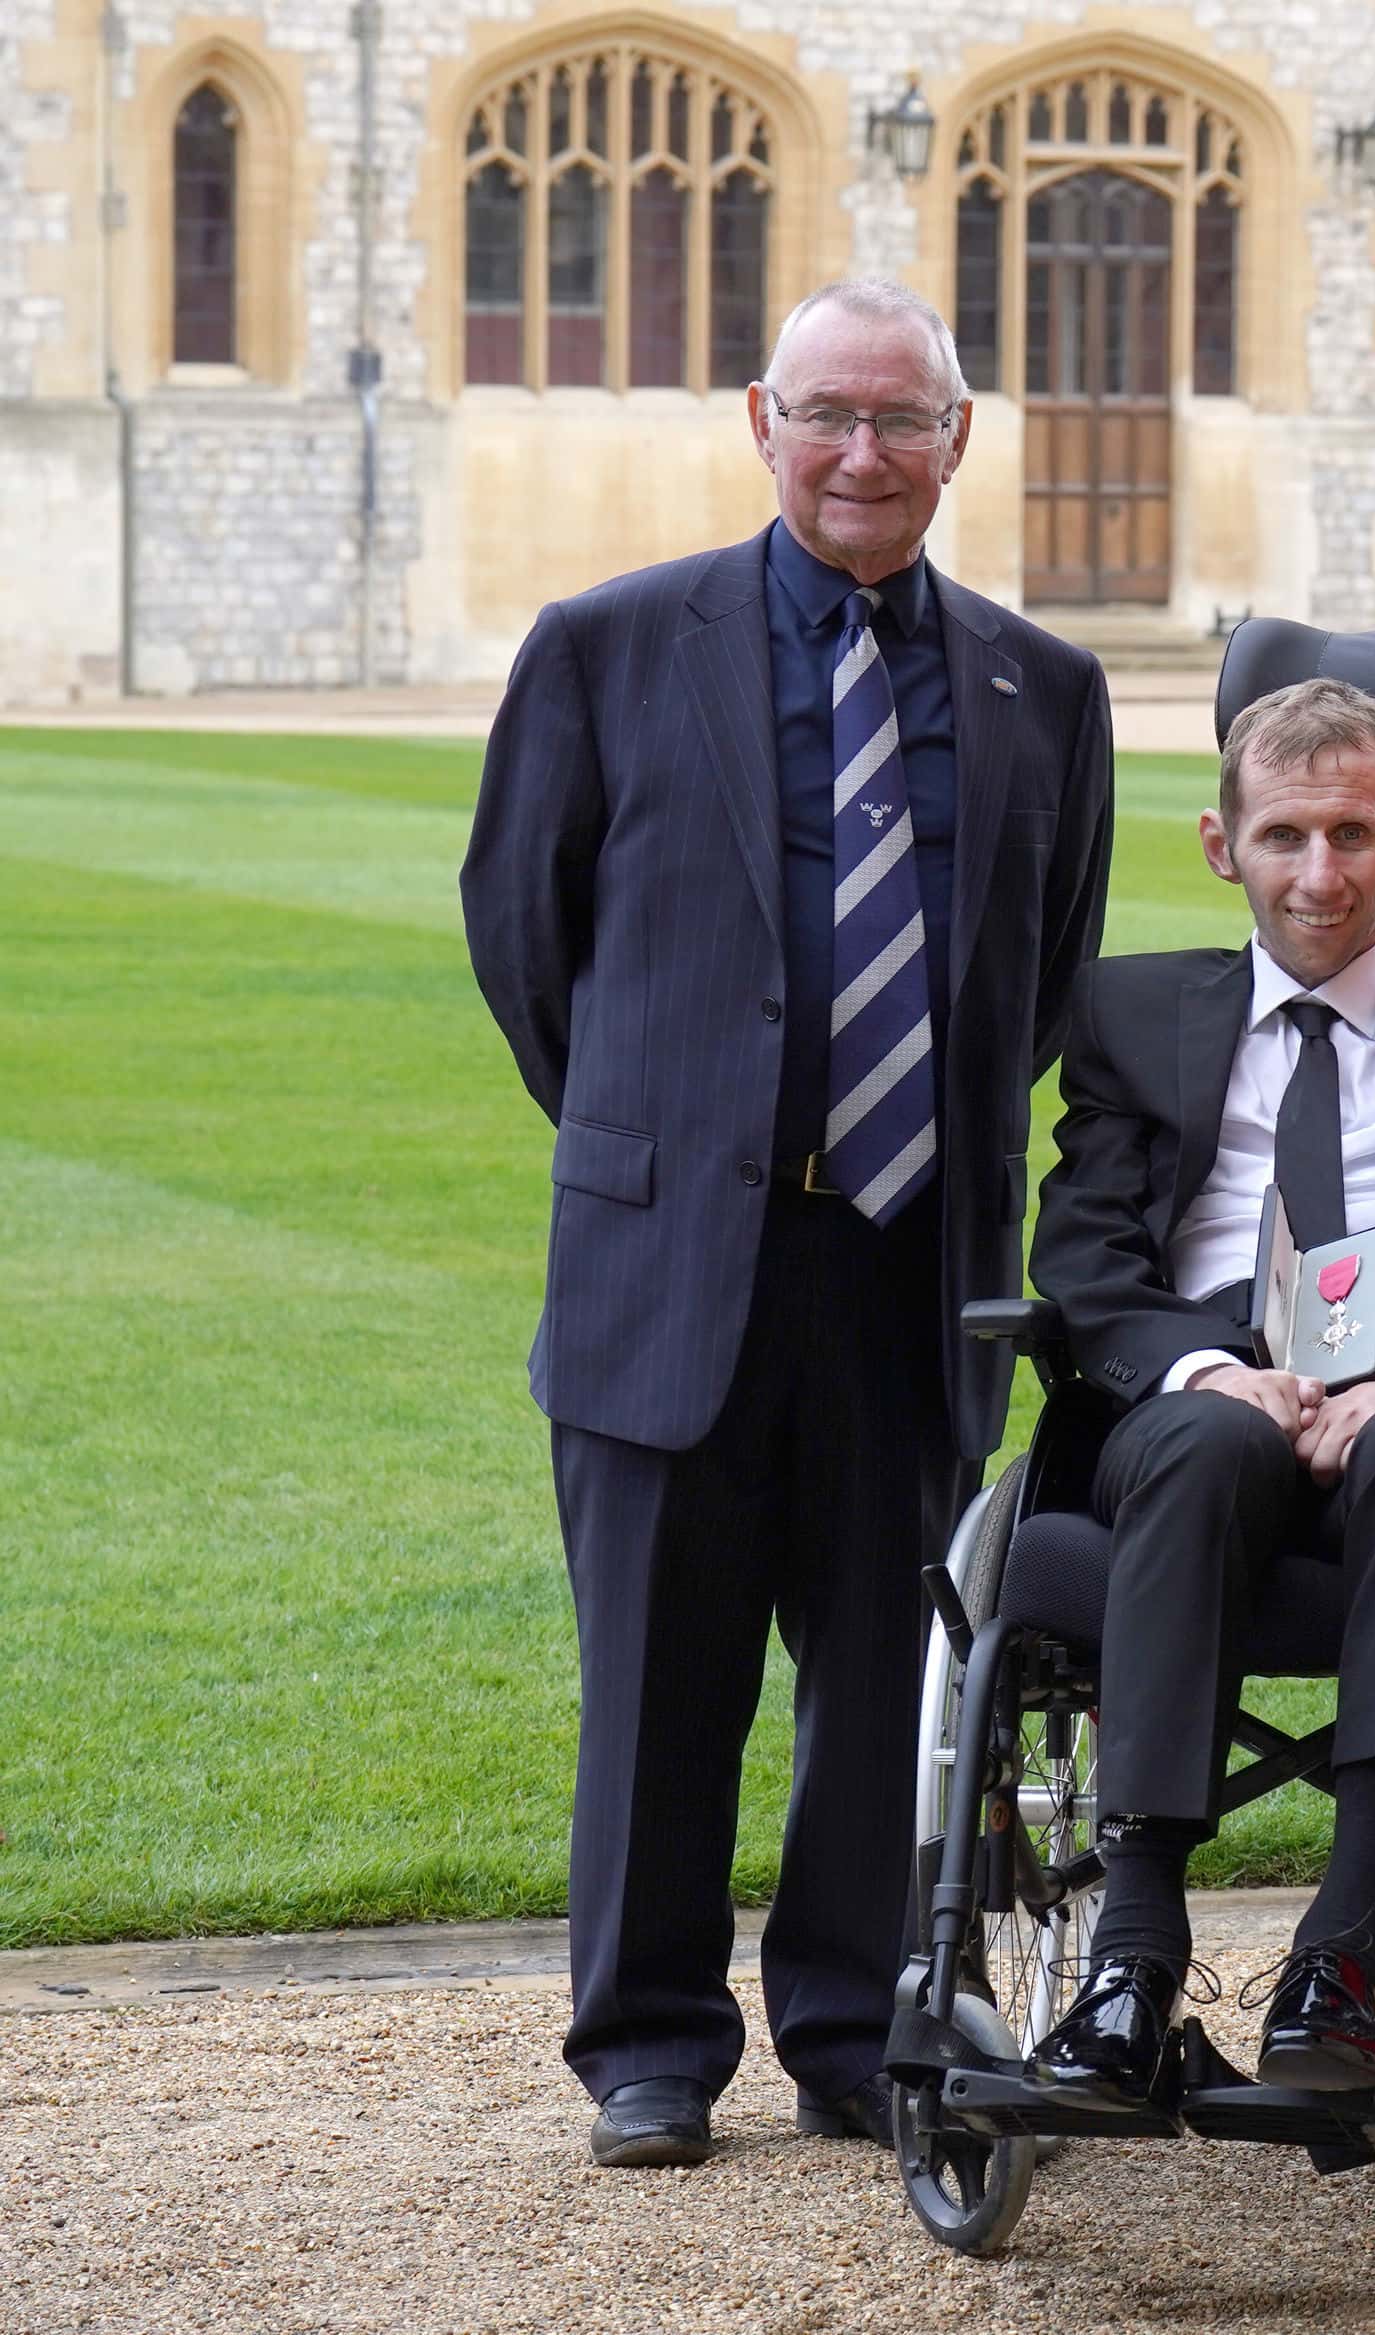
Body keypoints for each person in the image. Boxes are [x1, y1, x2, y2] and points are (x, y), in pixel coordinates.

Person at [461, 278, 1115, 2170]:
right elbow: (531, 942)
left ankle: (854, 2023)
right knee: (658, 1672)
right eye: (828, 415)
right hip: (678, 1249)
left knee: (883, 1670)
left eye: (902, 420)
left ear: (959, 439)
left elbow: (1042, 975)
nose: (861, 455)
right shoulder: (606, 647)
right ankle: (651, 2043)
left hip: (912, 1257)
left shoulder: (1039, 689)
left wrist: (903, 1147)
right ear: (762, 419)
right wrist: (678, 1140)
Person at [1020, 677, 1375, 2103]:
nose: (1320, 874)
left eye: (1352, 834)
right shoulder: (1132, 1011)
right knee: (1211, 1444)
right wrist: (1214, 1368)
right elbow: (1085, 1257)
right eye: (1284, 836)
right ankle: (1134, 1957)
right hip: (1190, 1386)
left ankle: (1340, 1957)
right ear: (1223, 847)